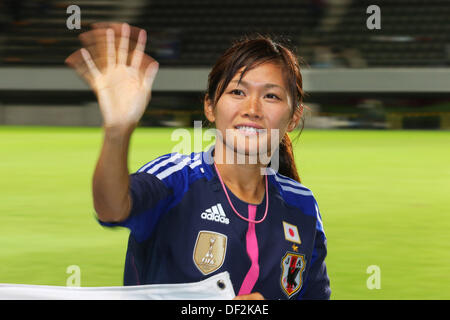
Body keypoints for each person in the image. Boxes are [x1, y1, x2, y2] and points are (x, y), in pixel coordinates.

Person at [65, 22, 331, 300]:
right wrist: (118, 129)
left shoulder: (302, 206)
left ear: (294, 118)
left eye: (271, 96)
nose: (252, 109)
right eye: (237, 92)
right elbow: (111, 208)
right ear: (210, 106)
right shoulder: (177, 180)